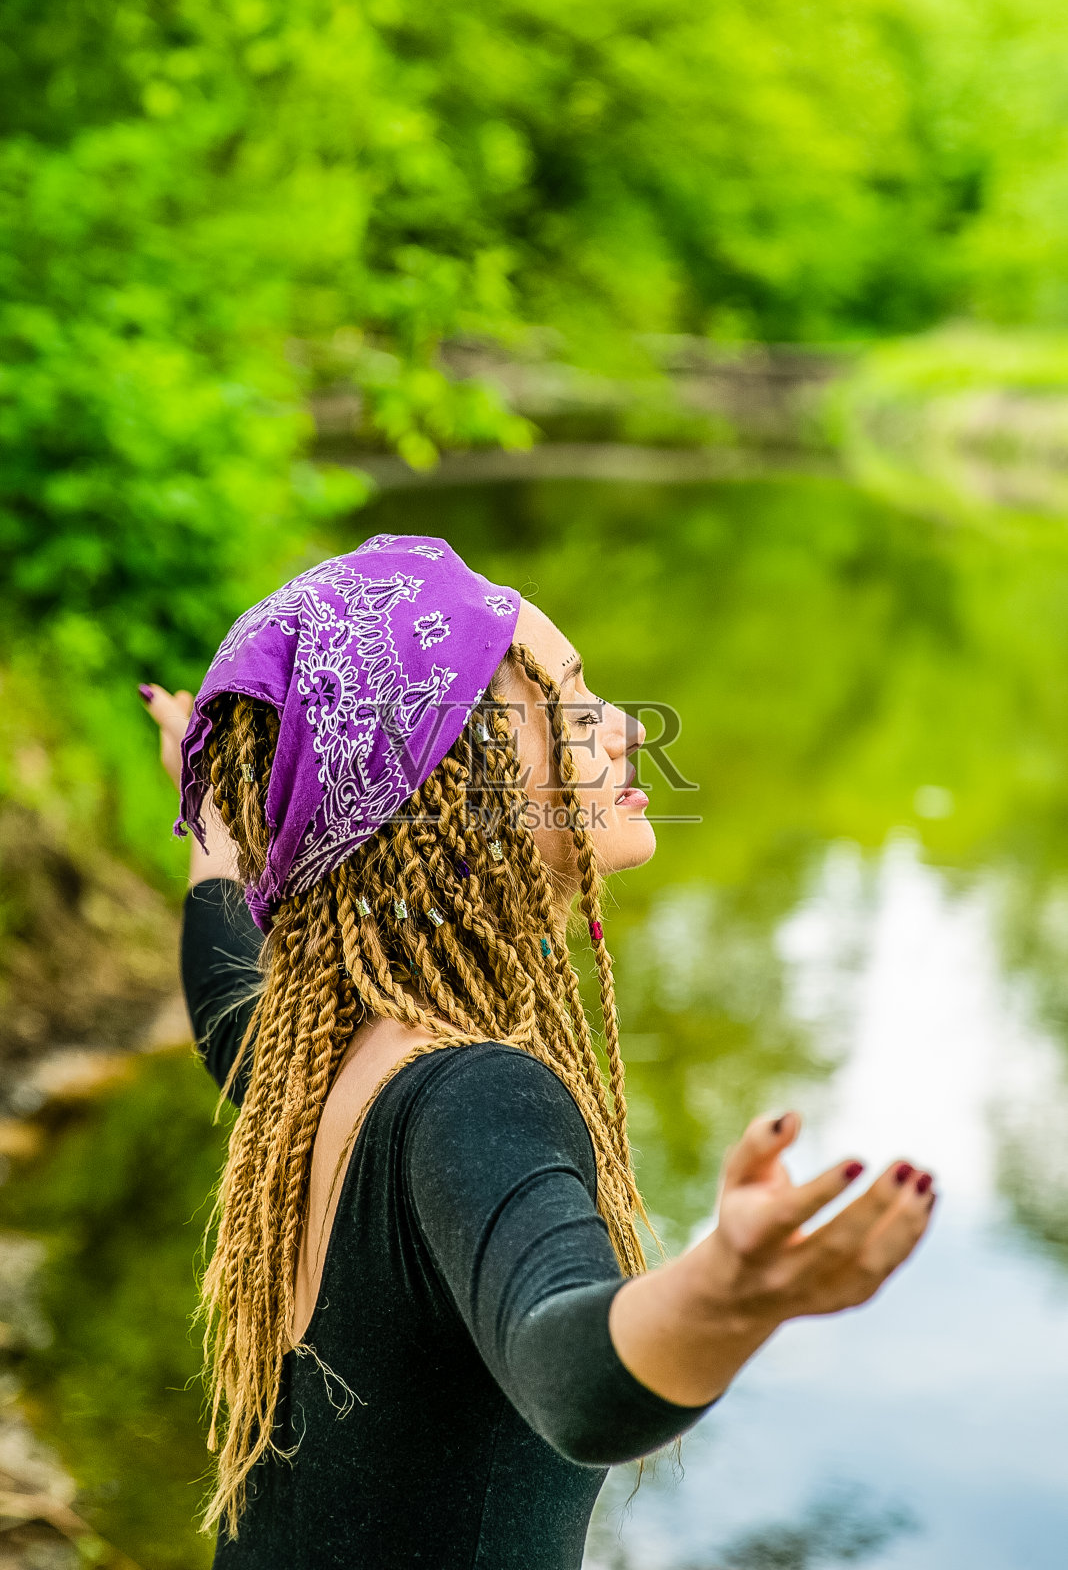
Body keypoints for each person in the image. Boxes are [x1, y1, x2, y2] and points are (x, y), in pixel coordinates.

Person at [141, 535, 935, 1570]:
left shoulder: (323, 1053)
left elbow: (224, 1003)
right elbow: (573, 1369)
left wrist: (218, 814)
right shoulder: (474, 1094)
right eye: (568, 698)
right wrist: (726, 1291)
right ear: (445, 780)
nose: (625, 727)